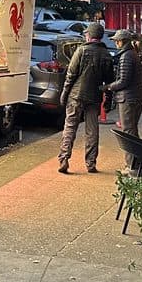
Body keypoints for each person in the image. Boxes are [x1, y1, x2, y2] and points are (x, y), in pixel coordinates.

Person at [57, 21, 115, 174]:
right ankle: (91, 163)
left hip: (76, 95)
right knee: (92, 130)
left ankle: (64, 159)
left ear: (89, 35)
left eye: (86, 34)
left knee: (70, 126)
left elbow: (71, 74)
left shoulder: (81, 51)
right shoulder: (106, 54)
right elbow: (109, 82)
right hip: (95, 96)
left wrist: (64, 93)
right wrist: (108, 100)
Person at [108, 28, 142, 173]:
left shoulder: (126, 56)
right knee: (133, 130)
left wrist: (109, 87)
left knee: (128, 132)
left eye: (116, 41)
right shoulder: (133, 54)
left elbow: (123, 81)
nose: (116, 43)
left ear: (121, 41)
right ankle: (137, 161)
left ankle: (132, 165)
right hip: (136, 97)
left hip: (128, 99)